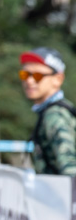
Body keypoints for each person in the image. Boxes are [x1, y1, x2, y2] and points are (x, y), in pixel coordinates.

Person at [20, 47, 76, 175]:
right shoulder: (54, 111)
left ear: (58, 79)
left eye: (37, 75)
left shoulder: (55, 116)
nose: (29, 81)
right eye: (25, 74)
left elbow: (71, 170)